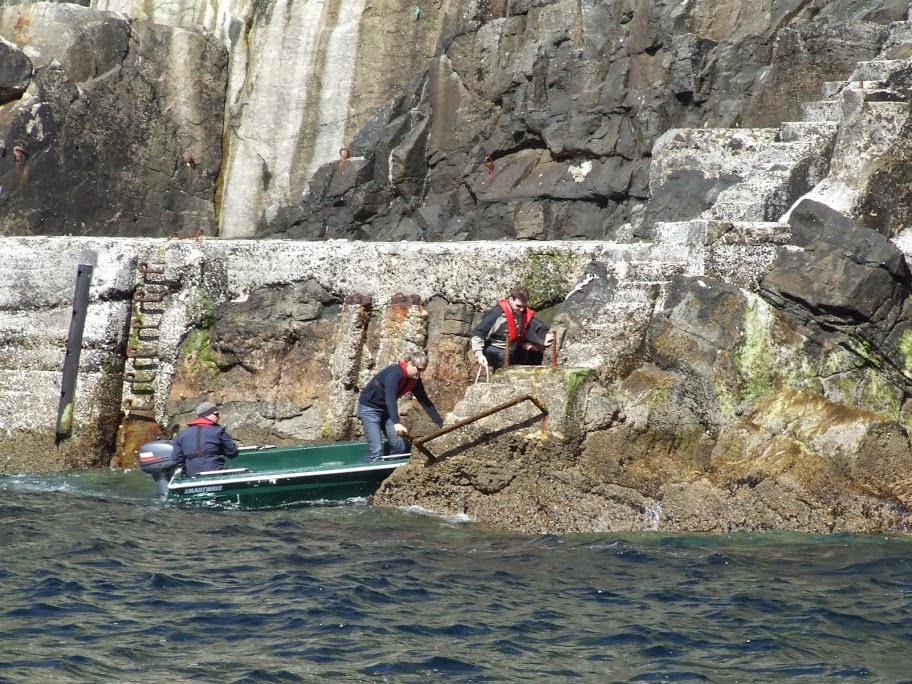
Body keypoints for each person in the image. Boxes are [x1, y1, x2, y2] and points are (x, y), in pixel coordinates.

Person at [357, 351, 444, 462]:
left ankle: (389, 475)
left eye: (423, 370)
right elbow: (390, 397)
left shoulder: (414, 380)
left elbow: (425, 402)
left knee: (400, 447)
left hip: (386, 410)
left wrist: (441, 423)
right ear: (410, 363)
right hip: (369, 409)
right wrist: (396, 422)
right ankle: (365, 474)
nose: (420, 373)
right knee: (376, 451)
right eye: (419, 369)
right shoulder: (394, 373)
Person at [471, 286, 552, 369]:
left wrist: (541, 341)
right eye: (518, 306)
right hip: (494, 348)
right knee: (504, 358)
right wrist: (479, 355)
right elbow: (478, 333)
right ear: (510, 300)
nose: (521, 309)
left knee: (535, 356)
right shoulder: (496, 313)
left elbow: (525, 330)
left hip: (512, 348)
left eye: (524, 306)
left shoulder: (521, 312)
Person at [171, 401, 239, 476]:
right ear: (207, 415)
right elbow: (233, 452)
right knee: (247, 472)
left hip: (192, 474)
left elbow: (176, 458)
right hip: (216, 471)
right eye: (216, 414)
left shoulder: (181, 434)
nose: (219, 417)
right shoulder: (218, 431)